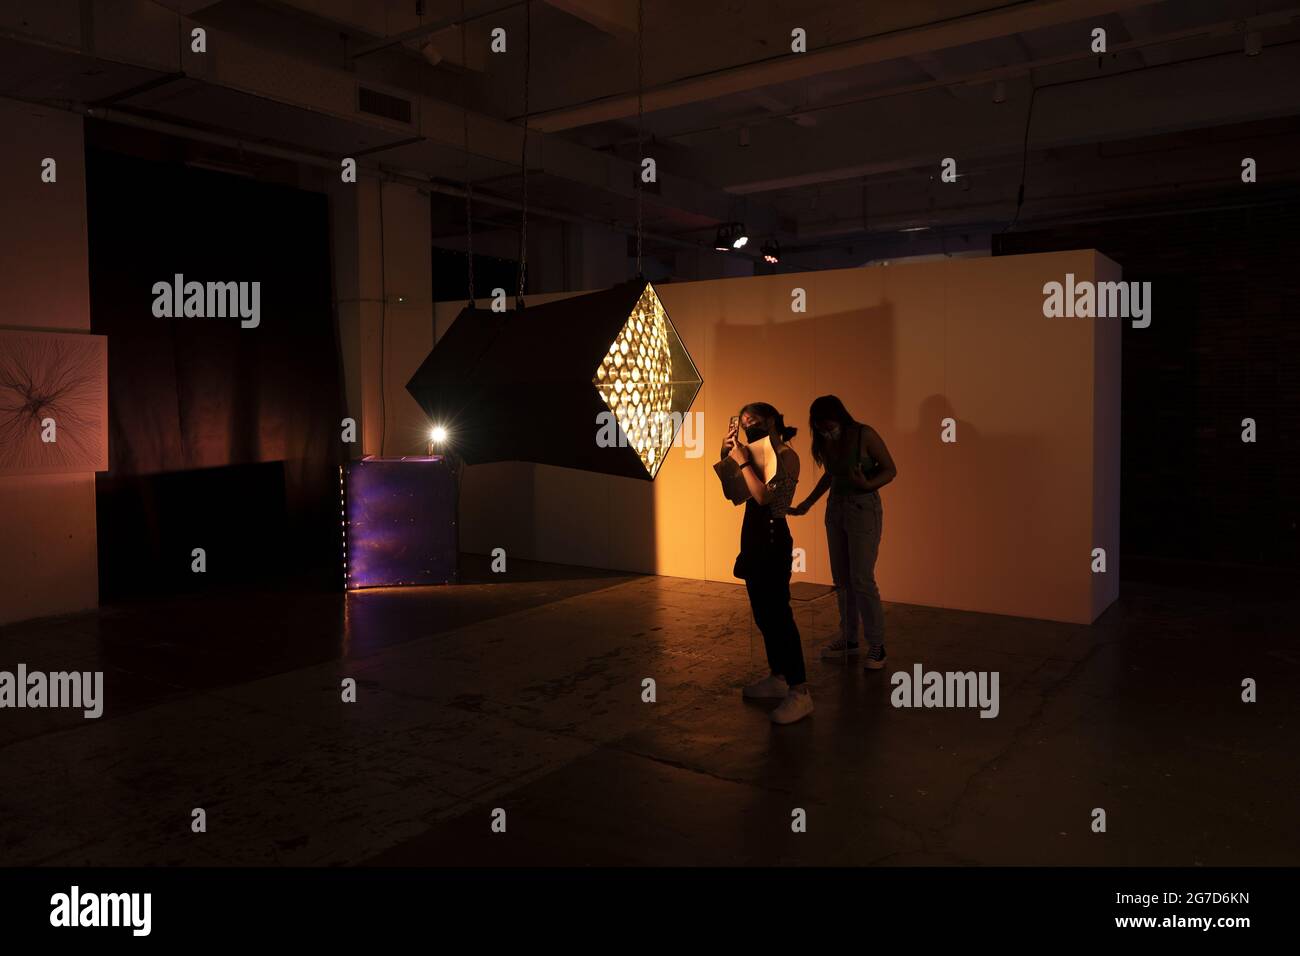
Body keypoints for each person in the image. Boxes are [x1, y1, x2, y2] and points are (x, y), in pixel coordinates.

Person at [788, 395, 897, 672]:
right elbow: (831, 475)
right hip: (836, 509)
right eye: (821, 427)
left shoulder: (864, 434)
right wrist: (808, 503)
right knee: (842, 579)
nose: (826, 430)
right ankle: (848, 638)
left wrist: (868, 483)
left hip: (862, 508)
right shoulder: (825, 440)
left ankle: (877, 643)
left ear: (839, 417)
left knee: (861, 578)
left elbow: (890, 470)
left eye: (828, 425)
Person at [723, 402, 811, 724]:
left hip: (774, 541)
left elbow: (767, 499)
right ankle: (778, 676)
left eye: (755, 421)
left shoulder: (787, 456)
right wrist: (729, 459)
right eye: (744, 423)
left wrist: (744, 462)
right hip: (752, 540)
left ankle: (800, 692)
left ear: (772, 420)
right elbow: (735, 495)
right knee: (762, 615)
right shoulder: (754, 454)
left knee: (779, 616)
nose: (749, 427)